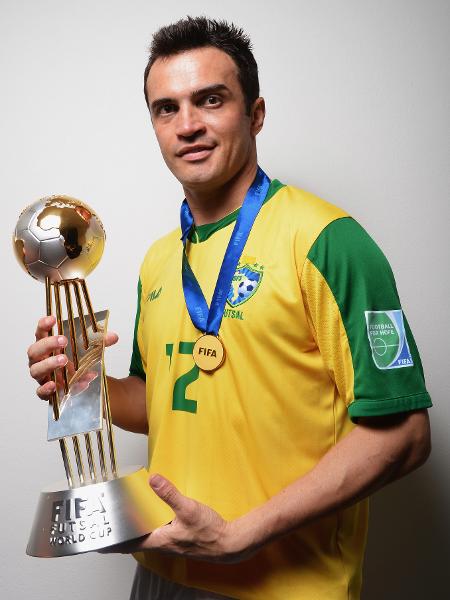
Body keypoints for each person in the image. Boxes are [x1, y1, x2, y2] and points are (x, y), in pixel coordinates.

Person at [27, 16, 432, 600]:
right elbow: (159, 402)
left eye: (210, 100)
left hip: (286, 583)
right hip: (162, 570)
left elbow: (404, 436)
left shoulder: (327, 240)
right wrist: (82, 380)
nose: (187, 125)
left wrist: (241, 535)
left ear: (255, 113)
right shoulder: (160, 259)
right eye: (166, 109)